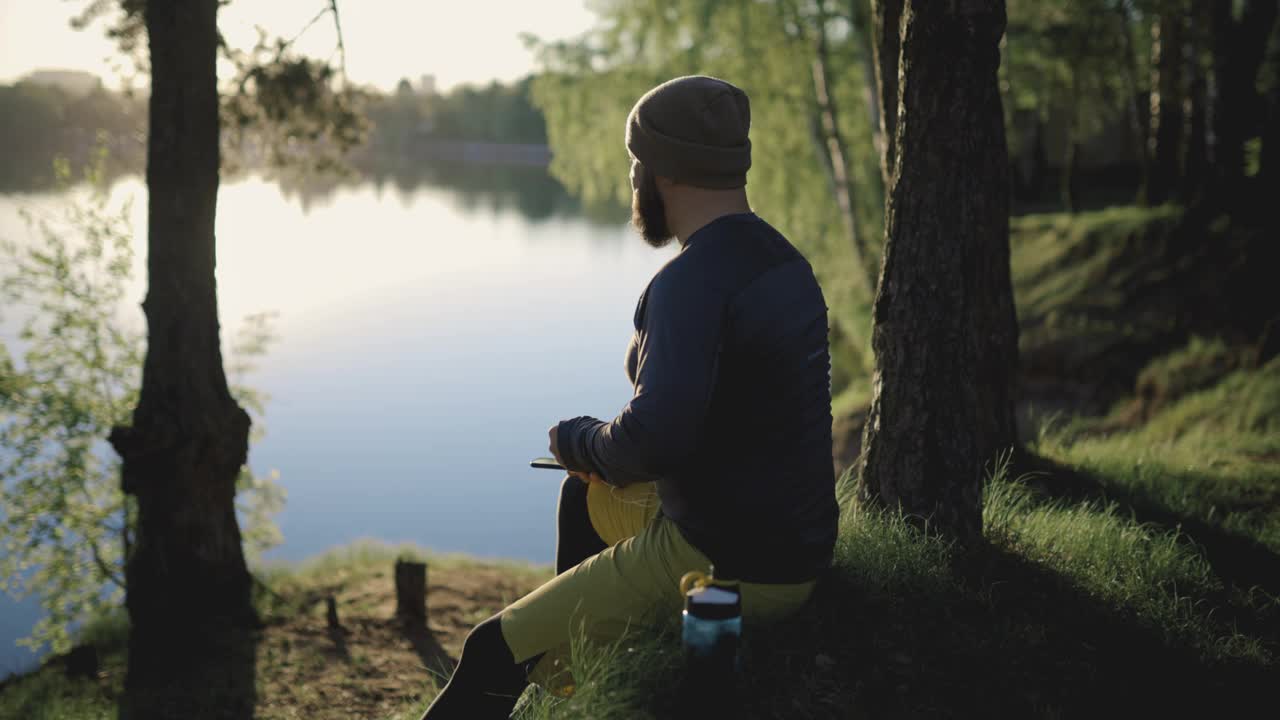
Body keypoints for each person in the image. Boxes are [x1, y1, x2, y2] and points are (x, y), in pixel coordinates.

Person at [420, 75, 838, 718]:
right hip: (796, 554)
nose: (634, 178)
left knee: (486, 652)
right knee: (585, 496)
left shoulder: (689, 282)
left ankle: (556, 658)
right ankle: (591, 676)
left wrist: (576, 438)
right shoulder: (782, 261)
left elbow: (654, 439)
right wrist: (594, 459)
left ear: (662, 171)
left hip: (724, 568)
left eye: (636, 163)